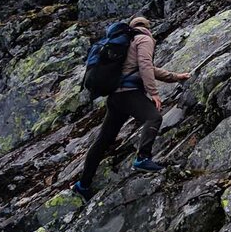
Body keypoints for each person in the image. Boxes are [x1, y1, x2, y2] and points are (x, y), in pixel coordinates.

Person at [72, 16, 190, 200]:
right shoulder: (144, 38)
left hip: (115, 97)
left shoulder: (127, 42)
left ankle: (83, 185)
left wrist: (176, 76)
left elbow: (147, 67)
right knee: (154, 117)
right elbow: (144, 65)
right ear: (147, 27)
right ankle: (143, 158)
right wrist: (154, 93)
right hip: (129, 93)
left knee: (103, 140)